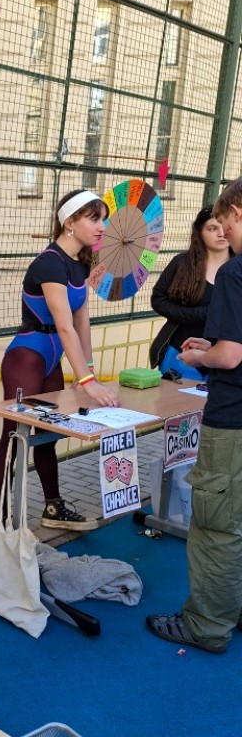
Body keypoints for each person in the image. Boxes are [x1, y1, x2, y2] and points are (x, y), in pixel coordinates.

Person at [147, 179, 242, 654]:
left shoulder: (235, 273)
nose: (224, 232)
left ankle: (206, 624)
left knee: (216, 526)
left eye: (225, 222)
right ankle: (232, 608)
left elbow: (230, 356)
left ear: (237, 212)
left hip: (233, 415)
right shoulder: (191, 266)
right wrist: (214, 345)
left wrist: (202, 355)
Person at [0, 189, 120, 530]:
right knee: (13, 438)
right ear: (69, 223)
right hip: (27, 358)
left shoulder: (80, 264)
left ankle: (53, 508)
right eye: (94, 218)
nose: (102, 226)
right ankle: (3, 524)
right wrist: (88, 383)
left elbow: (81, 321)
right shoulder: (50, 262)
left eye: (104, 219)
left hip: (53, 360)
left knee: (47, 435)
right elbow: (64, 326)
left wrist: (88, 372)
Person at [149, 205, 231, 380]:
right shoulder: (182, 263)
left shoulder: (237, 268)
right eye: (212, 228)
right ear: (199, 232)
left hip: (223, 356)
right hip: (180, 351)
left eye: (224, 226)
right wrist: (196, 315)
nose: (221, 233)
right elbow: (158, 299)